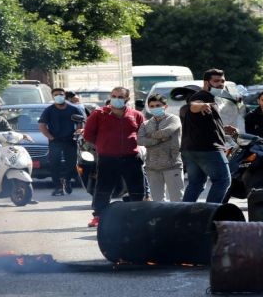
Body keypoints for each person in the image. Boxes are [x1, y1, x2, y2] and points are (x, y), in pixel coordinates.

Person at [83, 87, 145, 227]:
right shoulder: (98, 114)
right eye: (114, 96)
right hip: (107, 158)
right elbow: (88, 135)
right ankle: (99, 216)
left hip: (131, 157)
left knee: (136, 189)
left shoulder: (136, 115)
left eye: (120, 96)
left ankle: (138, 216)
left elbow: (143, 134)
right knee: (103, 189)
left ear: (127, 99)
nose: (116, 99)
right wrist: (103, 144)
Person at [180, 69, 238, 203]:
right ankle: (211, 213)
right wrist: (201, 105)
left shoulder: (212, 98)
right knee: (223, 180)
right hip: (208, 149)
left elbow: (202, 125)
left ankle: (183, 215)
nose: (220, 84)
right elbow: (193, 106)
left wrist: (223, 129)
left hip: (191, 149)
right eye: (216, 81)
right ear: (206, 83)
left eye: (222, 81)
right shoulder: (202, 97)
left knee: (196, 184)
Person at [138, 94, 184, 202]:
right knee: (158, 202)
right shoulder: (145, 124)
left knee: (177, 199)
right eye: (152, 106)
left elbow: (167, 131)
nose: (155, 108)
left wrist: (149, 137)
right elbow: (140, 140)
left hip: (172, 165)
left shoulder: (173, 119)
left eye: (158, 105)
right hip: (152, 167)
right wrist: (158, 139)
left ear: (165, 106)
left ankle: (178, 219)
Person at [39, 88, 84, 196]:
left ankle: (67, 180)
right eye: (56, 95)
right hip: (55, 141)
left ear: (65, 96)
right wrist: (50, 137)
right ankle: (58, 187)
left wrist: (77, 133)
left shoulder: (73, 109)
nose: (59, 96)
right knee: (54, 164)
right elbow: (42, 125)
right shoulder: (49, 110)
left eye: (61, 94)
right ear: (53, 97)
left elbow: (80, 122)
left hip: (70, 140)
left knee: (72, 164)